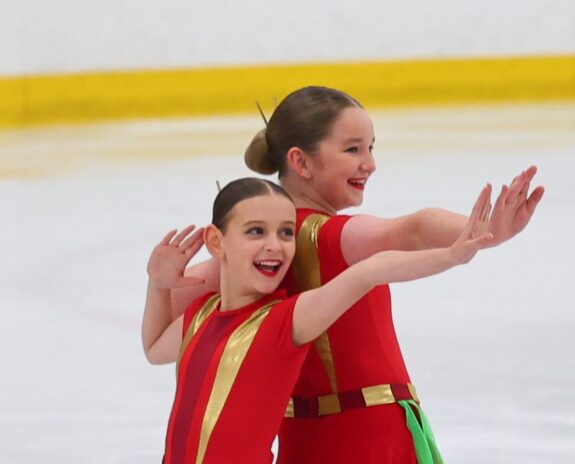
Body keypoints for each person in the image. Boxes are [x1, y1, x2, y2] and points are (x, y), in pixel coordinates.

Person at [156, 86, 544, 463]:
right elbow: (413, 229)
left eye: (370, 148)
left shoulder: (245, 252)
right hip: (367, 434)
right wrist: (482, 232)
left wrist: (158, 281)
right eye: (353, 149)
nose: (369, 163)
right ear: (301, 162)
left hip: (302, 439)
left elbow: (166, 327)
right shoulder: (327, 236)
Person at [142, 177, 495, 464]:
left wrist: (451, 255)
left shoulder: (283, 322)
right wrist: (157, 284)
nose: (275, 245)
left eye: (285, 232)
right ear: (216, 242)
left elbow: (371, 271)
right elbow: (155, 347)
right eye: (256, 231)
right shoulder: (200, 315)